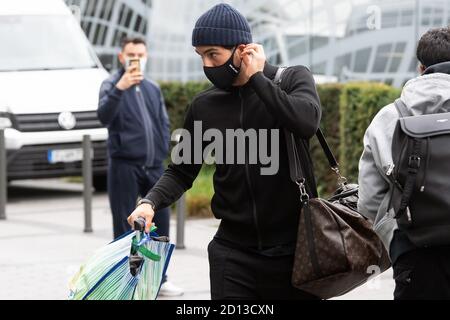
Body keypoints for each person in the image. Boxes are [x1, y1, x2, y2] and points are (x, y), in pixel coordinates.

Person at [127, 4, 322, 300]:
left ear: (242, 51)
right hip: (233, 254)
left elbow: (305, 121)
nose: (206, 65)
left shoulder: (293, 79)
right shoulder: (205, 106)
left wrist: (257, 79)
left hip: (295, 251)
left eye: (213, 54)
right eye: (200, 56)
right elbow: (181, 170)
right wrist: (150, 202)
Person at [358, 27, 450, 300]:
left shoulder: (389, 117)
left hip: (413, 250)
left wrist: (395, 238)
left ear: (421, 68)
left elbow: (369, 199)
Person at [97, 37, 183, 297]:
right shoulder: (111, 85)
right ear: (122, 57)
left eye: (141, 53)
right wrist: (120, 89)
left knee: (162, 219)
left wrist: (160, 152)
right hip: (124, 164)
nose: (136, 58)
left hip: (153, 164)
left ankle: (159, 277)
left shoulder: (152, 87)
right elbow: (103, 116)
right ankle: (130, 280)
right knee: (125, 225)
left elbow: (162, 121)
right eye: (131, 54)